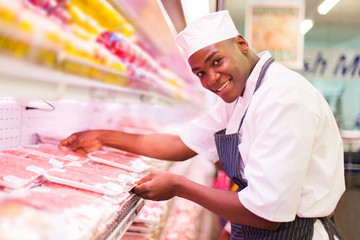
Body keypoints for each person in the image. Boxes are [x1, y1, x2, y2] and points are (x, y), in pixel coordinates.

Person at [59, 10, 345, 239]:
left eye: (217, 61)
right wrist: (102, 137)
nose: (211, 79)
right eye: (200, 73)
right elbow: (181, 144)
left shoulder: (282, 98)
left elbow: (266, 214)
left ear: (242, 44)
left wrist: (180, 187)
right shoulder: (240, 97)